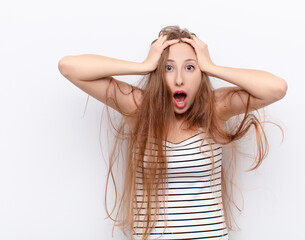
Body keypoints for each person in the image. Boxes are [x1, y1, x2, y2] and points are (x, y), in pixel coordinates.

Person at [58, 26, 287, 240]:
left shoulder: (215, 109)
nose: (179, 79)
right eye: (168, 68)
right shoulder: (140, 109)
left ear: (201, 73)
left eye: (190, 67)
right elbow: (69, 67)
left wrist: (212, 67)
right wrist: (143, 65)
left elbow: (276, 88)